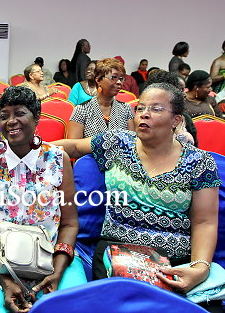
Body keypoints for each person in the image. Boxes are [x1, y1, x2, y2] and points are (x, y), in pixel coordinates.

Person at [52, 82, 221, 312]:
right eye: (140, 108)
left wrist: (200, 268)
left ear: (176, 120)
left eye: (156, 109)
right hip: (117, 253)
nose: (145, 114)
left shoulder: (199, 162)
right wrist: (30, 147)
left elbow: (205, 222)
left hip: (174, 261)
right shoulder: (118, 143)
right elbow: (72, 147)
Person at [0, 86, 87, 313]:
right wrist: (4, 280)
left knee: (71, 309)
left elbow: (69, 223)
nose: (11, 121)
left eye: (20, 113)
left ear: (36, 117)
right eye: (5, 115)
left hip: (50, 258)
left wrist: (56, 273)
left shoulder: (58, 159)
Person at [68, 58, 135, 138]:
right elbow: (74, 146)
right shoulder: (82, 110)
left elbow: (132, 144)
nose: (119, 82)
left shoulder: (126, 109)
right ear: (98, 80)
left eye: (121, 79)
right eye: (113, 77)